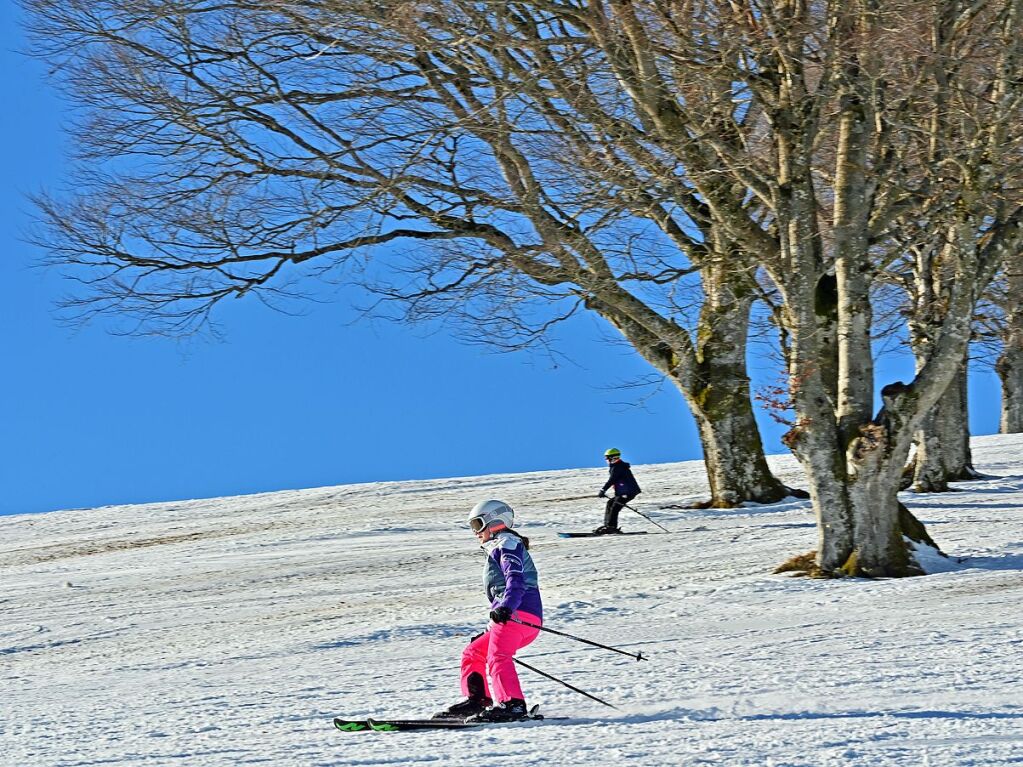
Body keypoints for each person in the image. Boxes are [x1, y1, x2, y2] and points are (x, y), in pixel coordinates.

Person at [435, 499, 543, 722]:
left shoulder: (507, 543)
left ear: (494, 522)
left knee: (498, 655)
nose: (475, 532)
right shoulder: (498, 545)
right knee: (473, 651)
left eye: (477, 524)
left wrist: (506, 608)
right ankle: (477, 700)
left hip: (520, 613)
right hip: (509, 614)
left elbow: (515, 580)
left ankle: (512, 704)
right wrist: (490, 627)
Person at [594, 447, 642, 534]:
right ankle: (608, 526)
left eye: (607, 458)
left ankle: (611, 527)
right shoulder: (616, 466)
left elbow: (612, 480)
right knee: (610, 503)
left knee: (615, 507)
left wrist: (603, 490)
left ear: (613, 458)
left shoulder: (618, 467)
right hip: (624, 492)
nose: (606, 460)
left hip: (628, 492)